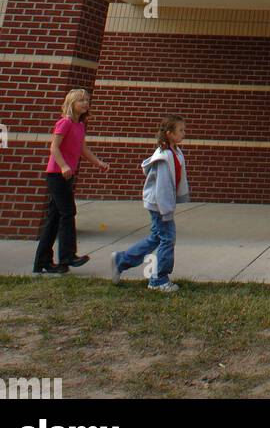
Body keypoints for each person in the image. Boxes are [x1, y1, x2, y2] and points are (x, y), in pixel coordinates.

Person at [33, 88, 109, 276]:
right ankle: (68, 256)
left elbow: (82, 148)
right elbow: (54, 147)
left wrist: (98, 162)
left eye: (87, 100)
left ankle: (42, 262)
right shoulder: (64, 123)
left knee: (54, 218)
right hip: (57, 174)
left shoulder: (80, 125)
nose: (85, 103)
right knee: (68, 212)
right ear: (71, 102)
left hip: (67, 175)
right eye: (81, 100)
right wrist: (64, 165)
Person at [111, 115, 190, 294]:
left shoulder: (175, 152)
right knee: (167, 239)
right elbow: (162, 187)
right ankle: (158, 280)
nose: (184, 134)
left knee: (156, 238)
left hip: (160, 204)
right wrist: (166, 210)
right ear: (169, 134)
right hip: (160, 205)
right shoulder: (164, 156)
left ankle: (120, 261)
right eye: (181, 130)